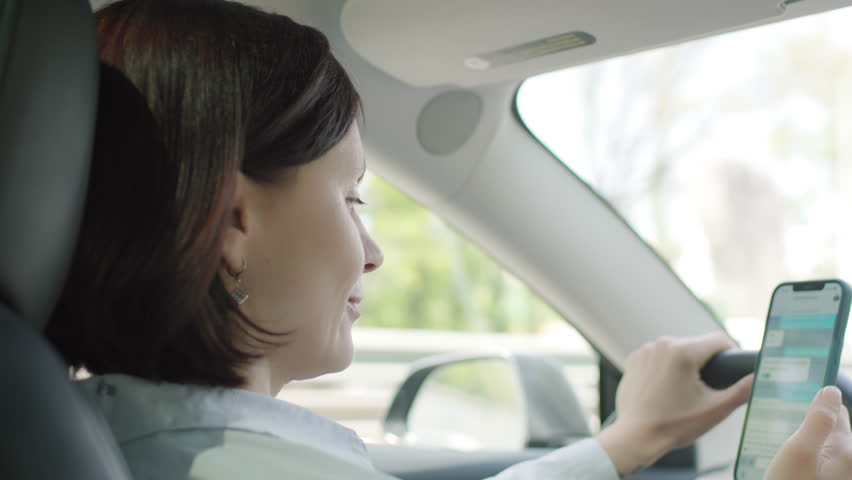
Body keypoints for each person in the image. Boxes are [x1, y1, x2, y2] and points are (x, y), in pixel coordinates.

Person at [45, 0, 852, 479]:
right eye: (350, 198)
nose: (373, 252)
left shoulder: (89, 435)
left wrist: (625, 441)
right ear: (234, 220)